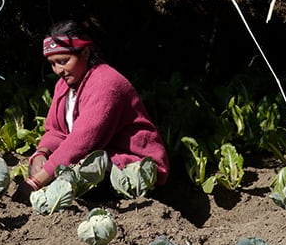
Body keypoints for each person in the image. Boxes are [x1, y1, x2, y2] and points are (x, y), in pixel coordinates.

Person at [12, 19, 170, 201]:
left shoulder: (106, 85)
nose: (58, 70)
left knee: (71, 180)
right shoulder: (64, 85)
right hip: (100, 157)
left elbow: (80, 143)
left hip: (134, 166)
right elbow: (56, 131)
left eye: (63, 61)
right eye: (52, 64)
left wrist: (34, 182)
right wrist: (42, 153)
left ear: (85, 52)